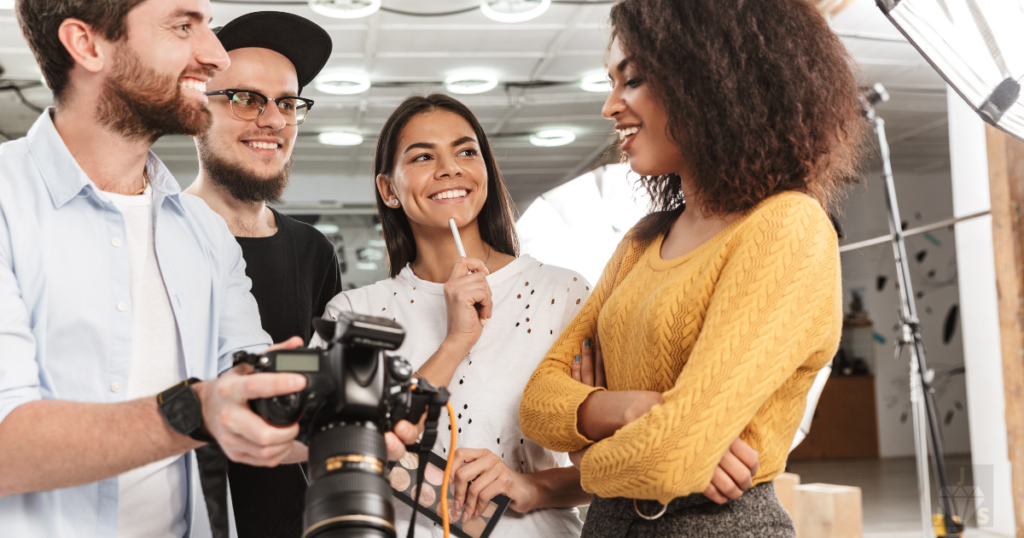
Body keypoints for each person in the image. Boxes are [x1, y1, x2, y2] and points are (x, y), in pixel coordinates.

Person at [0, 1, 415, 536]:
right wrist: (197, 409)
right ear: (87, 44)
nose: (215, 55)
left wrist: (344, 413)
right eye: (183, 26)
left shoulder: (201, 231)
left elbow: (249, 393)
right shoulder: (8, 203)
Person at [313, 93, 760, 538]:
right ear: (389, 189)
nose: (449, 168)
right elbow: (330, 455)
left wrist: (530, 486)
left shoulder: (563, 294)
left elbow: (609, 462)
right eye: (423, 156)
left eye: (466, 151)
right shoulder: (354, 314)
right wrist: (454, 344)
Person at [519, 0, 867, 536]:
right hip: (608, 525)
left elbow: (672, 456)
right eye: (611, 82)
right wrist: (634, 411)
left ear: (709, 79)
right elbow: (538, 403)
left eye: (631, 80)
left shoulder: (786, 227)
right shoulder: (642, 241)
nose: (609, 106)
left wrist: (588, 460)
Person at [183, 12, 342, 538]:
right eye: (246, 99)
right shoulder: (157, 238)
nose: (273, 120)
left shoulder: (312, 250)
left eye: (288, 102)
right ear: (195, 105)